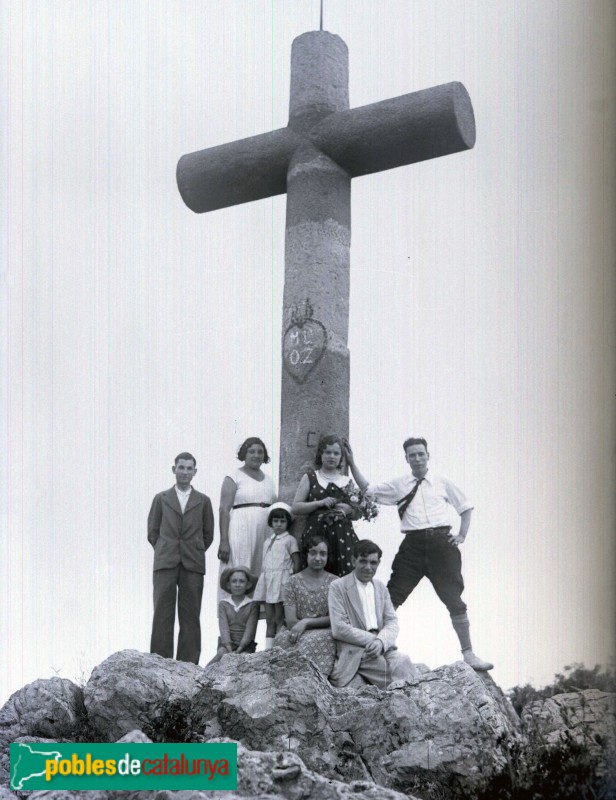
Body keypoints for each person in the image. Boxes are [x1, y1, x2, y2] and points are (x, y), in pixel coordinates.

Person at [345, 437, 493, 671]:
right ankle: (378, 646)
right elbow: (369, 491)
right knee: (392, 597)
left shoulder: (441, 481)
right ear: (406, 459)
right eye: (412, 455)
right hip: (412, 546)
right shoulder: (400, 484)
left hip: (442, 546)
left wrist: (462, 535)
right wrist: (352, 462)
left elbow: (465, 506)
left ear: (427, 455)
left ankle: (469, 654)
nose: (417, 458)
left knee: (454, 599)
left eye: (420, 454)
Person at [148, 452, 214, 664]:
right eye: (181, 467)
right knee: (162, 613)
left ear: (195, 472)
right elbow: (153, 531)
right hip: (165, 561)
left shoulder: (203, 501)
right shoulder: (161, 498)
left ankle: (188, 665)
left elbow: (208, 534)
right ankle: (160, 662)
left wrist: (194, 549)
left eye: (189, 468)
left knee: (191, 614)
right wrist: (164, 548)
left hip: (192, 562)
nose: (184, 472)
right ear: (174, 469)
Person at [328, 539, 415, 689]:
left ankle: (409, 702)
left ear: (378, 563)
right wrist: (373, 640)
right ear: (353, 560)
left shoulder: (381, 587)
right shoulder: (338, 587)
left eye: (373, 563)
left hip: (382, 645)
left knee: (403, 661)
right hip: (356, 650)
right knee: (386, 670)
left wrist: (381, 642)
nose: (368, 567)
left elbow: (392, 622)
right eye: (363, 561)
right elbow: (339, 628)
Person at [291, 434, 359, 577]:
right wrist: (319, 503)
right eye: (328, 452)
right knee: (316, 576)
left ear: (341, 457)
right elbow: (296, 507)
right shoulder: (311, 477)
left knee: (343, 578)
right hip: (316, 534)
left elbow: (358, 514)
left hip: (342, 537)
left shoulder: (347, 481)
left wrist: (350, 510)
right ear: (320, 454)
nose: (332, 456)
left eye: (336, 453)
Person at [217, 437, 276, 599]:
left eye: (260, 452)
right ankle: (234, 618)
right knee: (240, 570)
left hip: (265, 532)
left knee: (260, 573)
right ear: (244, 453)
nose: (256, 455)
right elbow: (224, 509)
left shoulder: (270, 480)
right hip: (240, 531)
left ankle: (255, 618)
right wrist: (223, 541)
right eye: (251, 451)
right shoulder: (233, 476)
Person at [275, 534, 338, 676]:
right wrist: (300, 625)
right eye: (313, 553)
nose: (318, 558)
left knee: (317, 640)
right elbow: (291, 621)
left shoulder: (335, 583)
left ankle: (312, 681)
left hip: (325, 631)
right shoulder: (292, 582)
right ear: (306, 555)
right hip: (296, 630)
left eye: (323, 554)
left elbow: (336, 617)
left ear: (328, 556)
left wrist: (306, 622)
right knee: (282, 639)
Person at [253, 502, 301, 648]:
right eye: (275, 521)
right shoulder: (267, 541)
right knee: (269, 618)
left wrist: (293, 582)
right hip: (269, 581)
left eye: (282, 521)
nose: (279, 524)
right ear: (271, 522)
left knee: (280, 617)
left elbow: (296, 561)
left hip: (282, 582)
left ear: (287, 523)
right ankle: (268, 649)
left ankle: (278, 649)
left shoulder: (289, 540)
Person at [208, 566, 260, 664]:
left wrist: (240, 649)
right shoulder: (224, 604)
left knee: (245, 659)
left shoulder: (252, 604)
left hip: (246, 645)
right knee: (221, 654)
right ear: (228, 585)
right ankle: (201, 674)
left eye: (241, 581)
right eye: (234, 581)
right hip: (226, 644)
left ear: (248, 585)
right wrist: (229, 648)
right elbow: (224, 628)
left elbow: (250, 630)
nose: (237, 584)